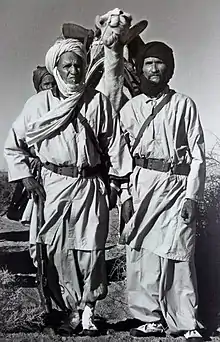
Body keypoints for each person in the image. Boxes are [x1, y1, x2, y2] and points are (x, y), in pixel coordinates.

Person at [4, 37, 132, 336]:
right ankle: (67, 311)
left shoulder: (97, 102)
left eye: (79, 65)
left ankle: (88, 311)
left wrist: (116, 185)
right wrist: (26, 177)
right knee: (54, 250)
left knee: (91, 250)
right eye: (67, 65)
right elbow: (14, 146)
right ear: (56, 68)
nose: (74, 71)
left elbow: (114, 146)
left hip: (89, 186)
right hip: (52, 185)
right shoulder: (38, 105)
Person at [119, 41, 206, 341]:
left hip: (176, 185)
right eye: (148, 63)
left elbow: (197, 155)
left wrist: (192, 196)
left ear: (170, 69)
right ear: (140, 68)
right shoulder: (129, 109)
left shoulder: (184, 104)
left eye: (161, 63)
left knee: (180, 253)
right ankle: (148, 317)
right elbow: (121, 160)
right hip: (141, 185)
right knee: (141, 252)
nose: (154, 69)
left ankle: (186, 321)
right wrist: (125, 196)